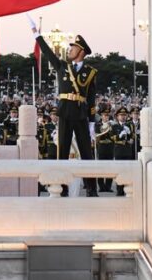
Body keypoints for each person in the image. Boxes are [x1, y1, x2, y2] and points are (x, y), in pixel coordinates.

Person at [32, 24, 99, 196]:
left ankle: (91, 188)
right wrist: (38, 36)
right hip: (65, 112)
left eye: (73, 47)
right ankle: (62, 187)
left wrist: (92, 123)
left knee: (86, 153)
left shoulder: (90, 72)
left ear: (81, 51)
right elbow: (48, 53)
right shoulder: (63, 67)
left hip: (81, 114)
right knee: (62, 151)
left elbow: (91, 99)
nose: (70, 50)